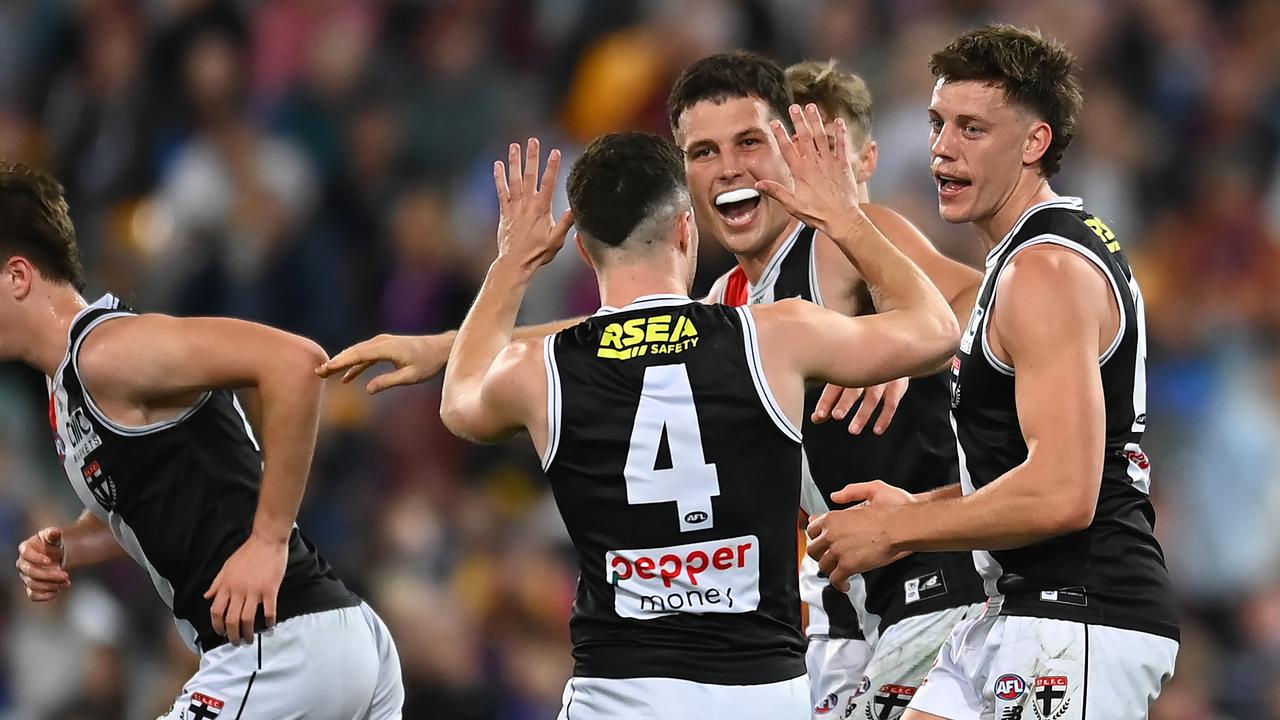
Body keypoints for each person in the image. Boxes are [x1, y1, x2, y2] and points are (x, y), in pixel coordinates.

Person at [436, 120, 957, 718]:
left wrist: (514, 263)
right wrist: (843, 216)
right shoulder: (775, 335)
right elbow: (937, 329)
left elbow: (459, 399)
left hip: (618, 694)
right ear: (686, 230)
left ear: (582, 250)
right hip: (764, 692)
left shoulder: (538, 369)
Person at [803, 25, 1180, 720]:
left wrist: (902, 532)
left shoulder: (1043, 270)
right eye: (939, 124)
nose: (943, 148)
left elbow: (1064, 494)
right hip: (1016, 610)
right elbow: (1030, 470)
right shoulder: (1023, 258)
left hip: (1078, 614)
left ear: (1034, 144)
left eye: (972, 128)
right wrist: (917, 506)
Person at [5, 161, 402, 719]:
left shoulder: (107, 352)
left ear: (18, 275)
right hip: (337, 640)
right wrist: (68, 545)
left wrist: (269, 540)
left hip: (277, 649)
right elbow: (156, 503)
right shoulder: (69, 383)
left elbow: (295, 363)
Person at [669, 51, 987, 719]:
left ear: (787, 150)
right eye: (704, 151)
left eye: (749, 142)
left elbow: (988, 301)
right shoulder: (725, 303)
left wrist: (908, 349)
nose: (728, 167)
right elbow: (601, 329)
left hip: (944, 589)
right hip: (848, 616)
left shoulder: (836, 244)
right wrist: (462, 344)